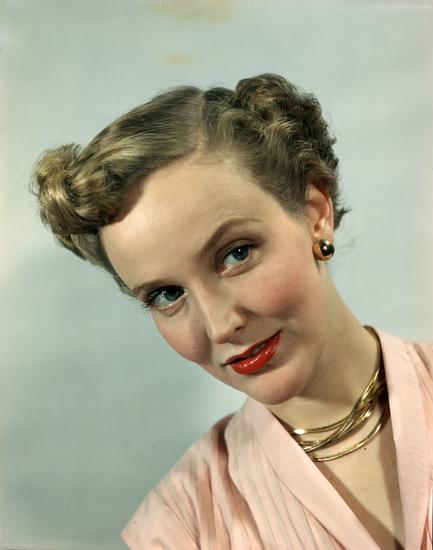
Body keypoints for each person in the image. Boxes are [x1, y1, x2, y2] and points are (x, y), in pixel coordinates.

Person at [31, 74, 432, 550]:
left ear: (315, 213)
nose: (221, 326)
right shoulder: (181, 527)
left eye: (236, 253)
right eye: (167, 295)